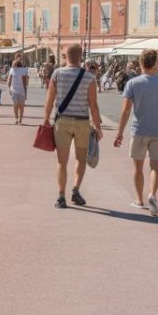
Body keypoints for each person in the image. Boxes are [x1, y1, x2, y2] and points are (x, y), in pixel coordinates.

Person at [114, 48, 158, 217]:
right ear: (156, 63)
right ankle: (152, 194)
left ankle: (139, 199)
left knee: (138, 167)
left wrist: (119, 133)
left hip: (139, 130)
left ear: (141, 63)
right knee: (155, 167)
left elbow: (125, 111)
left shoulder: (133, 83)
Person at [43, 44, 102, 209]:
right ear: (80, 57)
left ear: (66, 57)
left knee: (62, 162)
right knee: (81, 159)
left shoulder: (57, 73)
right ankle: (75, 190)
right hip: (82, 122)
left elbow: (49, 100)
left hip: (62, 121)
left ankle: (61, 197)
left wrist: (45, 118)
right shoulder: (90, 77)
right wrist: (97, 127)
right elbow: (93, 105)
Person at [8, 58, 30, 125]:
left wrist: (25, 92)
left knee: (19, 106)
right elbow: (9, 80)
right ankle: (17, 119)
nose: (13, 65)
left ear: (17, 65)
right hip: (16, 90)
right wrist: (9, 88)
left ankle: (19, 119)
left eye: (14, 64)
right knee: (17, 106)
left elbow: (24, 82)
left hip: (20, 91)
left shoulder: (19, 71)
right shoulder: (13, 70)